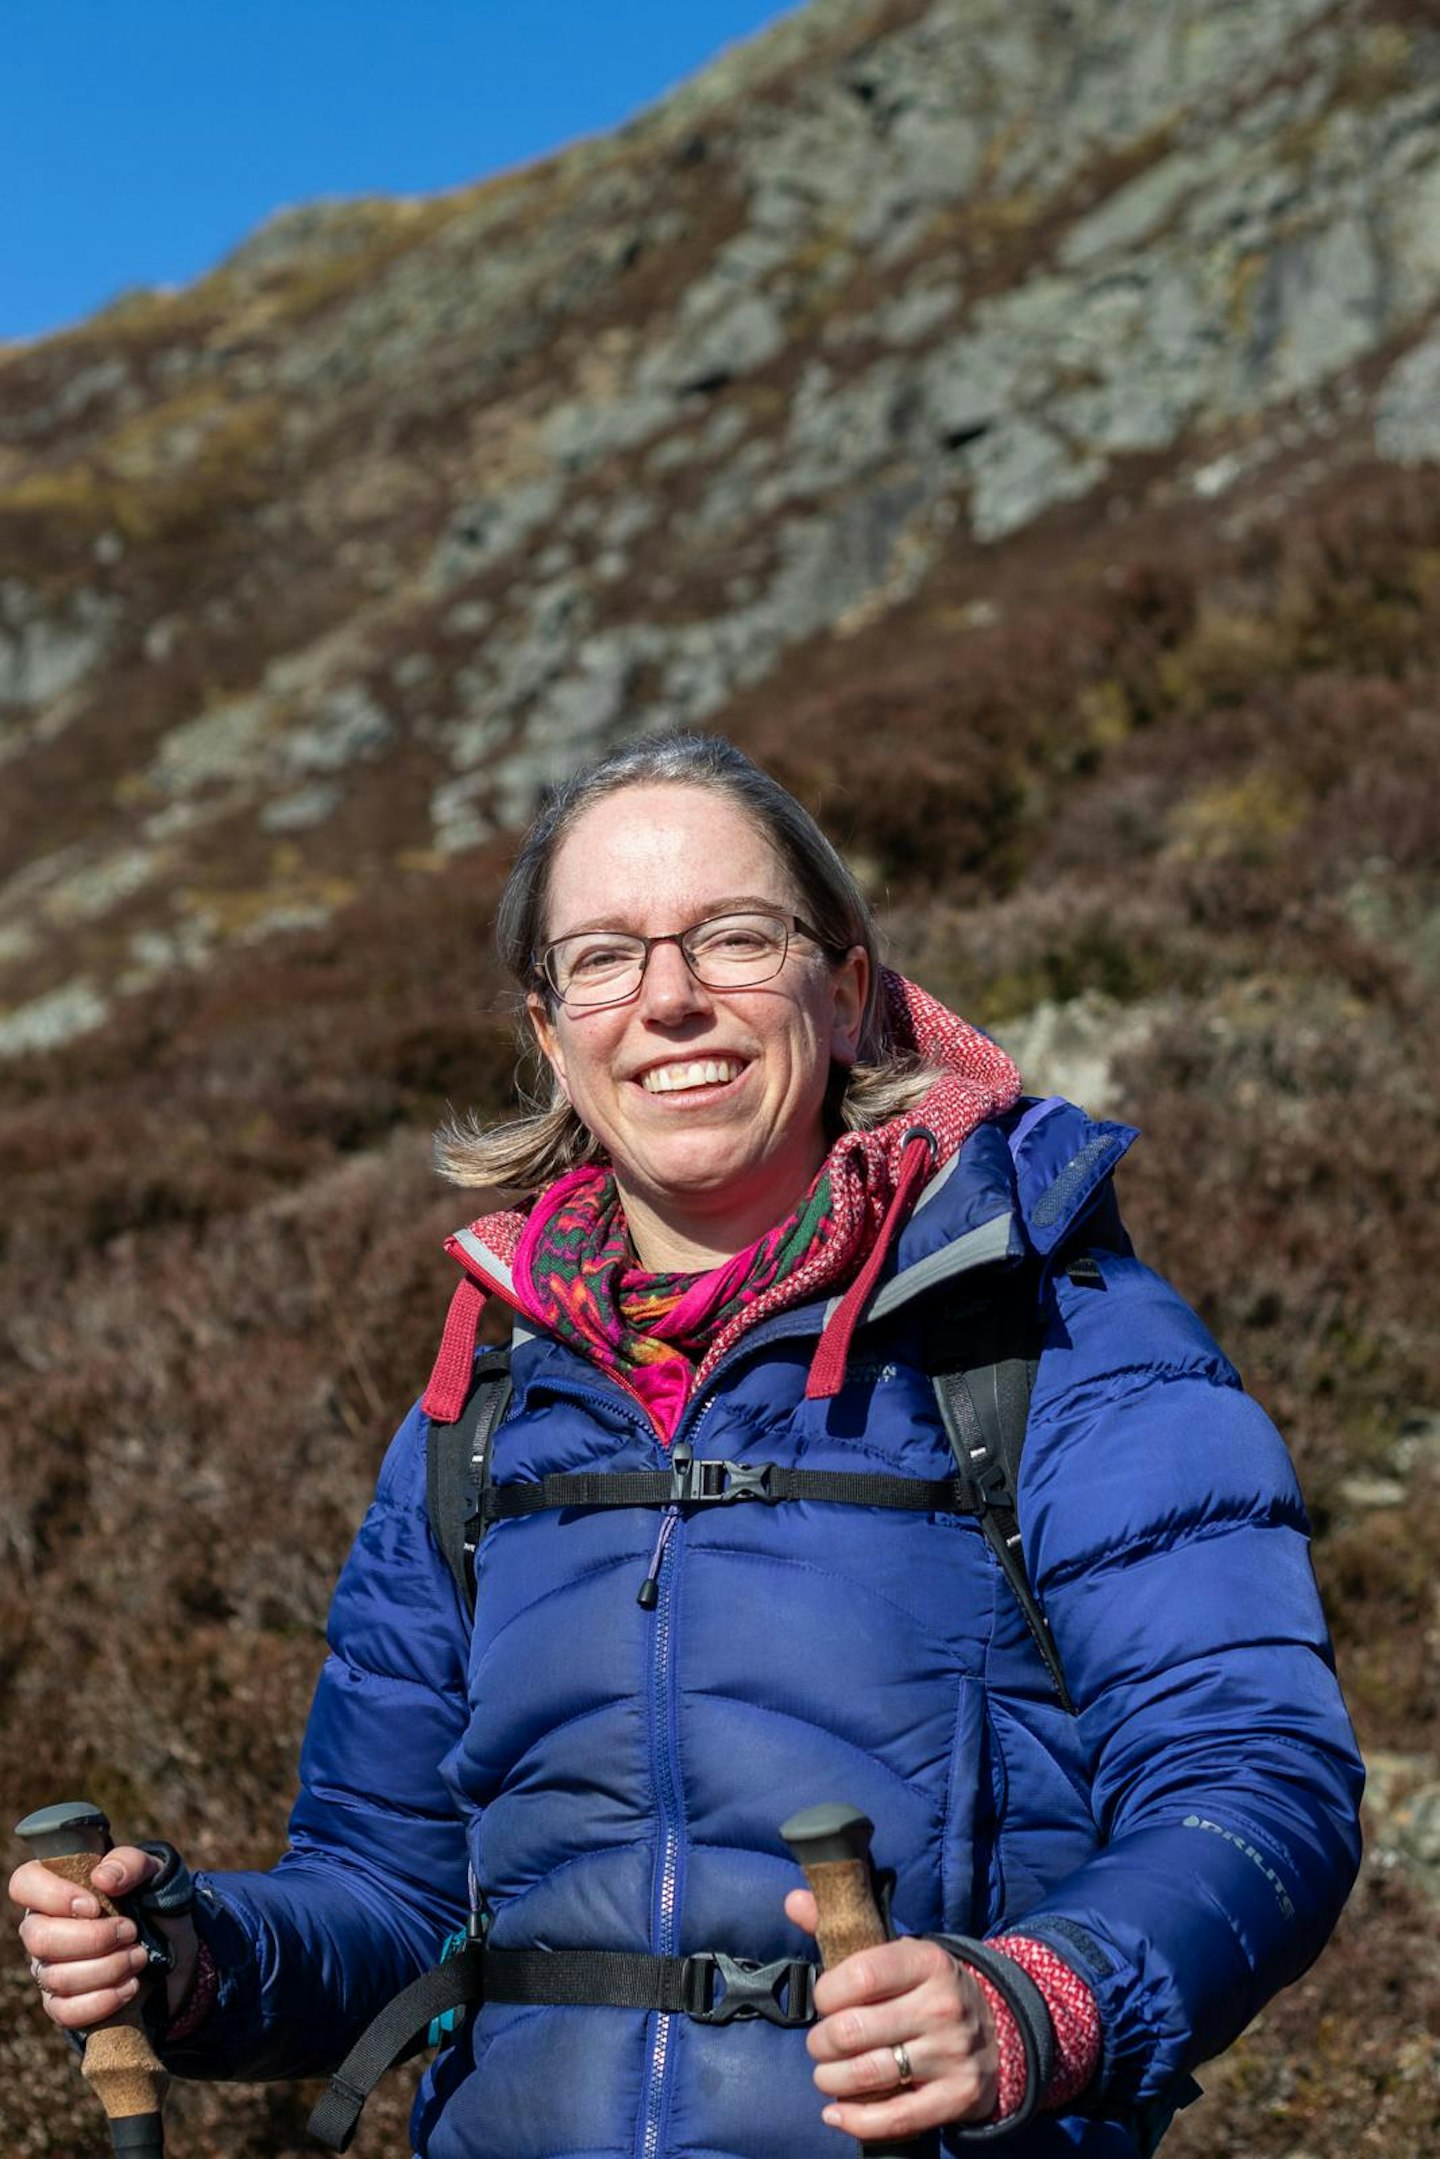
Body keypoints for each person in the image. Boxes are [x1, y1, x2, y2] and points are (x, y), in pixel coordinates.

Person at [11, 733, 1363, 2156]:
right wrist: (195, 1954)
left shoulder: (1058, 1337)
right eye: (602, 959)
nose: (667, 1000)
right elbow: (393, 1896)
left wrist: (1040, 2003)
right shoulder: (487, 1400)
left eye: (732, 936)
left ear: (844, 991)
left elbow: (1255, 1787)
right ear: (550, 1032)